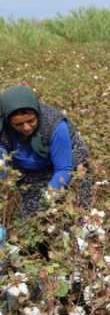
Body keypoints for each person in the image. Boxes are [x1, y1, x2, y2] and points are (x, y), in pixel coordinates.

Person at [0, 85, 91, 217]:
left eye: (31, 121)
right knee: (26, 213)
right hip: (30, 169)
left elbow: (63, 168)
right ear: (9, 122)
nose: (26, 128)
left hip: (66, 165)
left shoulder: (56, 126)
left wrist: (48, 199)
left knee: (75, 210)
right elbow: (2, 165)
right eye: (18, 124)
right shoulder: (3, 127)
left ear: (37, 114)